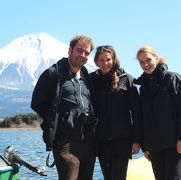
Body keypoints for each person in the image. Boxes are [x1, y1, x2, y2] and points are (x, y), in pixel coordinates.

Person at [31, 35, 96, 180]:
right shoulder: (54, 73)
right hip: (64, 142)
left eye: (86, 53)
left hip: (87, 141)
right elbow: (36, 103)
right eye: (79, 51)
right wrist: (57, 120)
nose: (83, 55)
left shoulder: (86, 75)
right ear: (70, 50)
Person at [135, 45, 181, 180]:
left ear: (156, 58)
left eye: (148, 60)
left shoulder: (172, 78)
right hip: (155, 148)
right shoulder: (144, 87)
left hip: (176, 145)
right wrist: (145, 147)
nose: (145, 64)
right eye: (141, 62)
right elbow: (144, 118)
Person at [90, 45, 142, 180]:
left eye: (108, 59)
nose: (105, 63)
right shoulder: (91, 80)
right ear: (96, 61)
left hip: (122, 141)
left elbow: (137, 112)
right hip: (101, 140)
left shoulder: (126, 79)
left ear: (114, 60)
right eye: (101, 60)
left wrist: (136, 140)